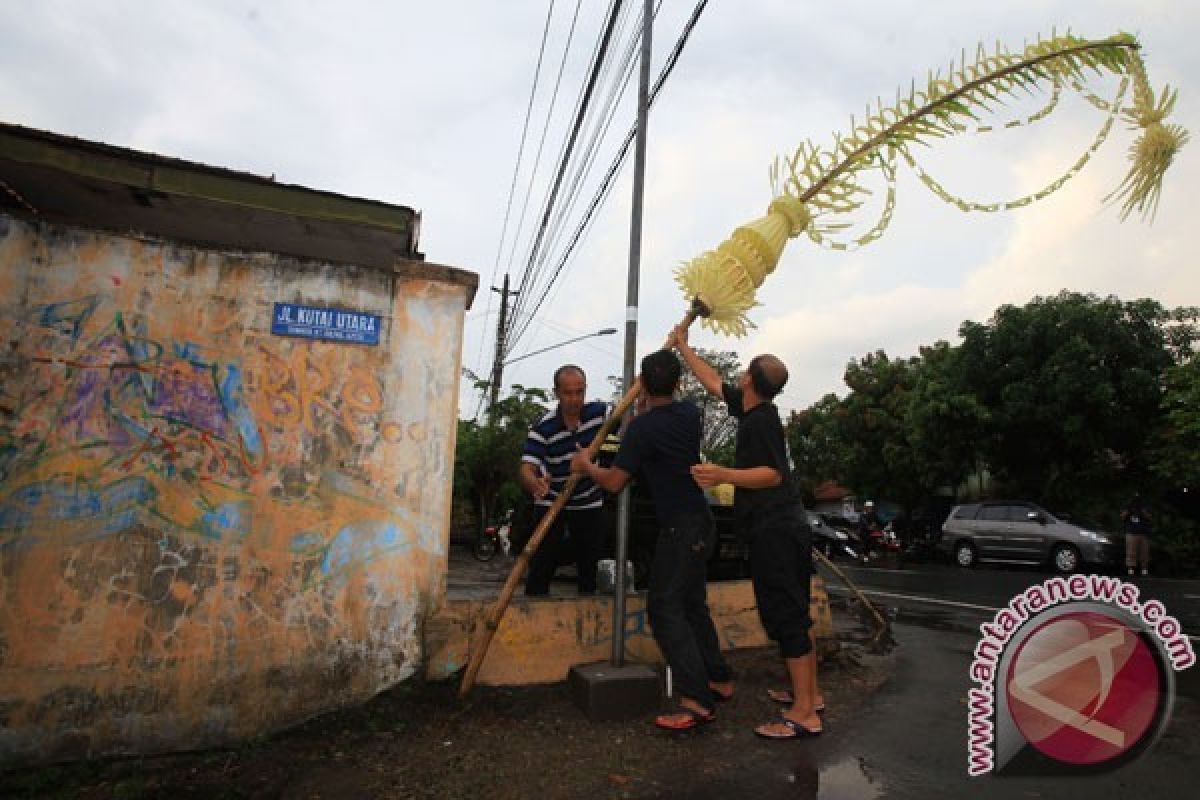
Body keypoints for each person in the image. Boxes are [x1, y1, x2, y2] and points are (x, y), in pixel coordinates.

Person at [672, 326, 824, 740]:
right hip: (785, 527)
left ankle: (804, 713)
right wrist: (683, 344)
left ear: (752, 382)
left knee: (786, 618)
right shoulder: (754, 409)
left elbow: (770, 475)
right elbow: (713, 382)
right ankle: (809, 693)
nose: (738, 376)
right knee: (794, 614)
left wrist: (722, 474)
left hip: (775, 531)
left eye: (745, 371)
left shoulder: (761, 423)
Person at [571, 349, 734, 730]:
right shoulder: (691, 414)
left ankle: (696, 699)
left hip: (679, 529)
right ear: (679, 383)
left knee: (664, 610)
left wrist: (585, 466)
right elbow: (663, 428)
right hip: (701, 522)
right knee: (693, 606)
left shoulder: (641, 431)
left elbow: (614, 482)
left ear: (642, 384)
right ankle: (719, 678)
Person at [519, 365, 606, 596]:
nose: (575, 399)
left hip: (589, 503)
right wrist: (535, 483)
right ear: (556, 393)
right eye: (568, 393)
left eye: (580, 392)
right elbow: (527, 468)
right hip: (552, 502)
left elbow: (629, 417)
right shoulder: (542, 428)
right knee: (540, 567)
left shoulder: (600, 414)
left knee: (590, 572)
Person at [1121, 492, 1153, 576]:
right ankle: (1130, 569)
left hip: (1144, 532)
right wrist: (1128, 511)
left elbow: (1150, 517)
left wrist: (1143, 512)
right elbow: (1122, 517)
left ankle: (1144, 569)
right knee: (1131, 551)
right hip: (1131, 532)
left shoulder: (1146, 505)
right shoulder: (1128, 505)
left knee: (1144, 552)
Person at [858, 500, 882, 565]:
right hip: (864, 532)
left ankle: (870, 555)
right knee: (864, 545)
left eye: (871, 507)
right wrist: (869, 526)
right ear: (866, 507)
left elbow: (879, 521)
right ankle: (862, 559)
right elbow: (864, 523)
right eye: (869, 507)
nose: (870, 508)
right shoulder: (863, 514)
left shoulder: (874, 514)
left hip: (872, 532)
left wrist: (886, 524)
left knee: (875, 541)